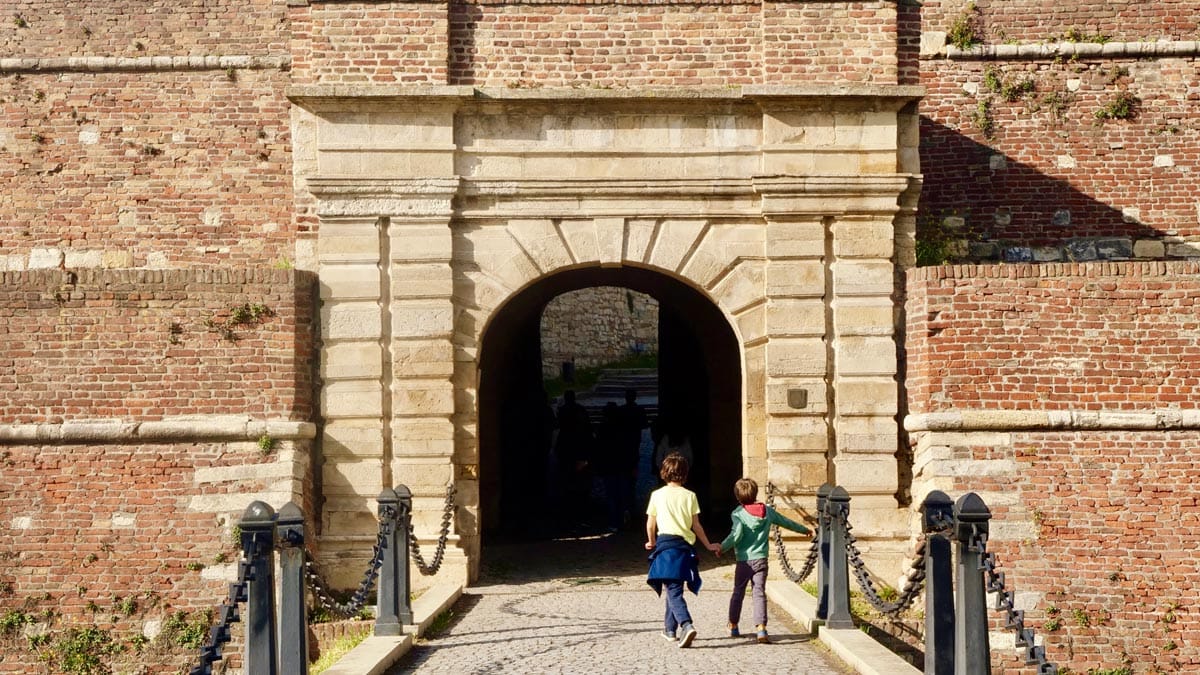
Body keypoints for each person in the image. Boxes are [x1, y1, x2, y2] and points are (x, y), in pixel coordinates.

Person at [718, 477, 812, 644]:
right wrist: (804, 530)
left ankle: (733, 624)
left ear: (737, 496)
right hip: (761, 559)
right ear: (756, 493)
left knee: (738, 592)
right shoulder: (767, 511)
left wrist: (722, 547)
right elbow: (786, 522)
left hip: (744, 561)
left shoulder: (738, 513)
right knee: (759, 593)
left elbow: (736, 535)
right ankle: (761, 628)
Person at [645, 453, 721, 648]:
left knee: (673, 588)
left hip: (665, 546)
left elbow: (650, 524)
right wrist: (708, 544)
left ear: (664, 472)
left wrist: (651, 542)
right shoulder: (690, 496)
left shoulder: (657, 495)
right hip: (683, 547)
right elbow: (696, 525)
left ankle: (686, 625)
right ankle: (669, 630)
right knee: (674, 585)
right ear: (685, 473)